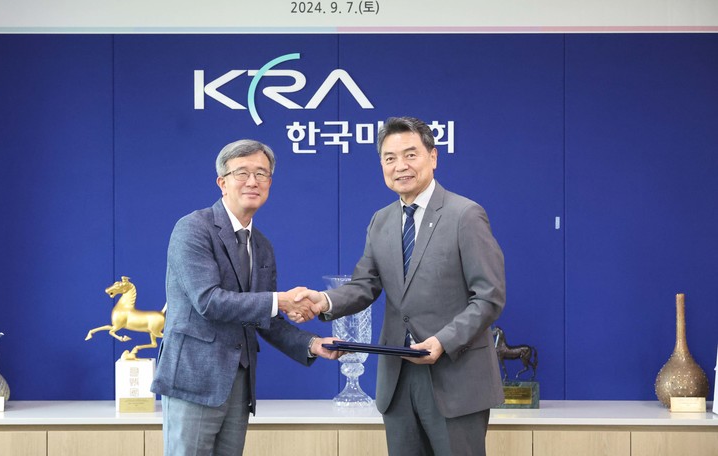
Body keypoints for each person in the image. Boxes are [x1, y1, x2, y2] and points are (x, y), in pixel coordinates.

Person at [294, 117, 506, 456]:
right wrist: (322, 301)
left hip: (455, 378)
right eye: (389, 158)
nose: (400, 166)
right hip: (397, 381)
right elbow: (365, 284)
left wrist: (443, 341)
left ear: (433, 157)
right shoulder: (381, 220)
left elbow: (488, 297)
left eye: (410, 155)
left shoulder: (465, 215)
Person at [151, 139, 341, 456]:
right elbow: (209, 301)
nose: (253, 181)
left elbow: (265, 318)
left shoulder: (262, 245)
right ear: (222, 182)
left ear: (270, 183)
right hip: (194, 381)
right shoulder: (193, 228)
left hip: (239, 385)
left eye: (261, 174)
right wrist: (280, 300)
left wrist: (312, 344)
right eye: (242, 173)